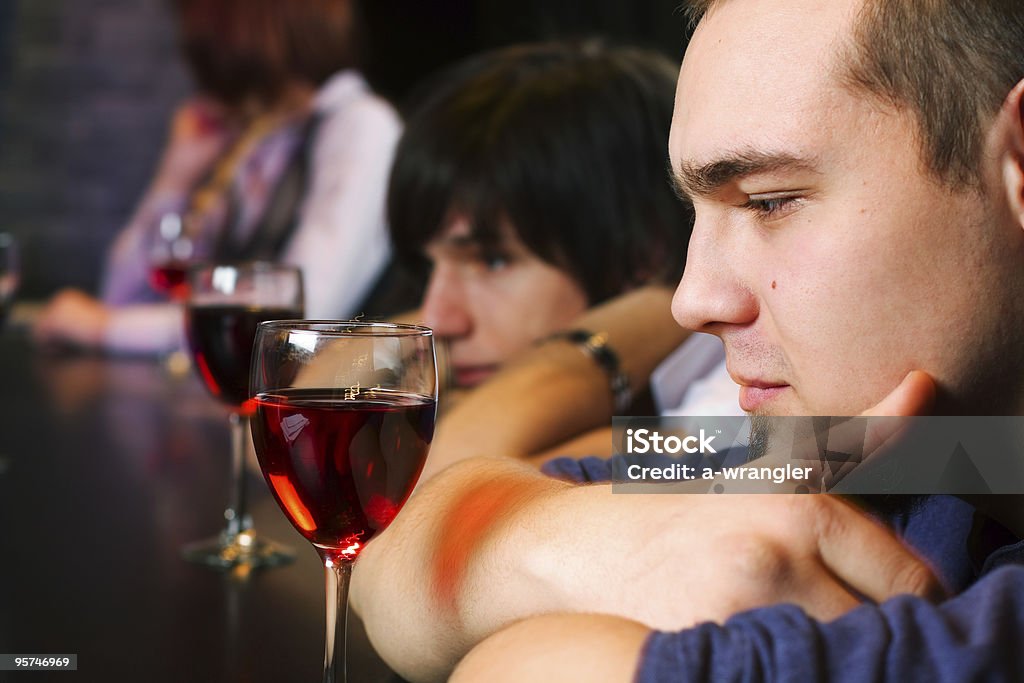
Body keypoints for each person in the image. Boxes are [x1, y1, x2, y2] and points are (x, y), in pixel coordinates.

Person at [349, 0, 1024, 681]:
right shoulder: (888, 449)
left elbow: (524, 666)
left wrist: (529, 564)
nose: (690, 301)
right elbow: (409, 533)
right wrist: (611, 543)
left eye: (768, 201)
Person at [33, 0, 402, 354]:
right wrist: (173, 180)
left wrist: (107, 330)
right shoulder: (264, 140)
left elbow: (302, 313)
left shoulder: (361, 127)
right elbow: (123, 296)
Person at [387, 41, 694, 394]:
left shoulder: (724, 428)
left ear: (643, 255)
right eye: (428, 268)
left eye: (493, 260)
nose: (437, 322)